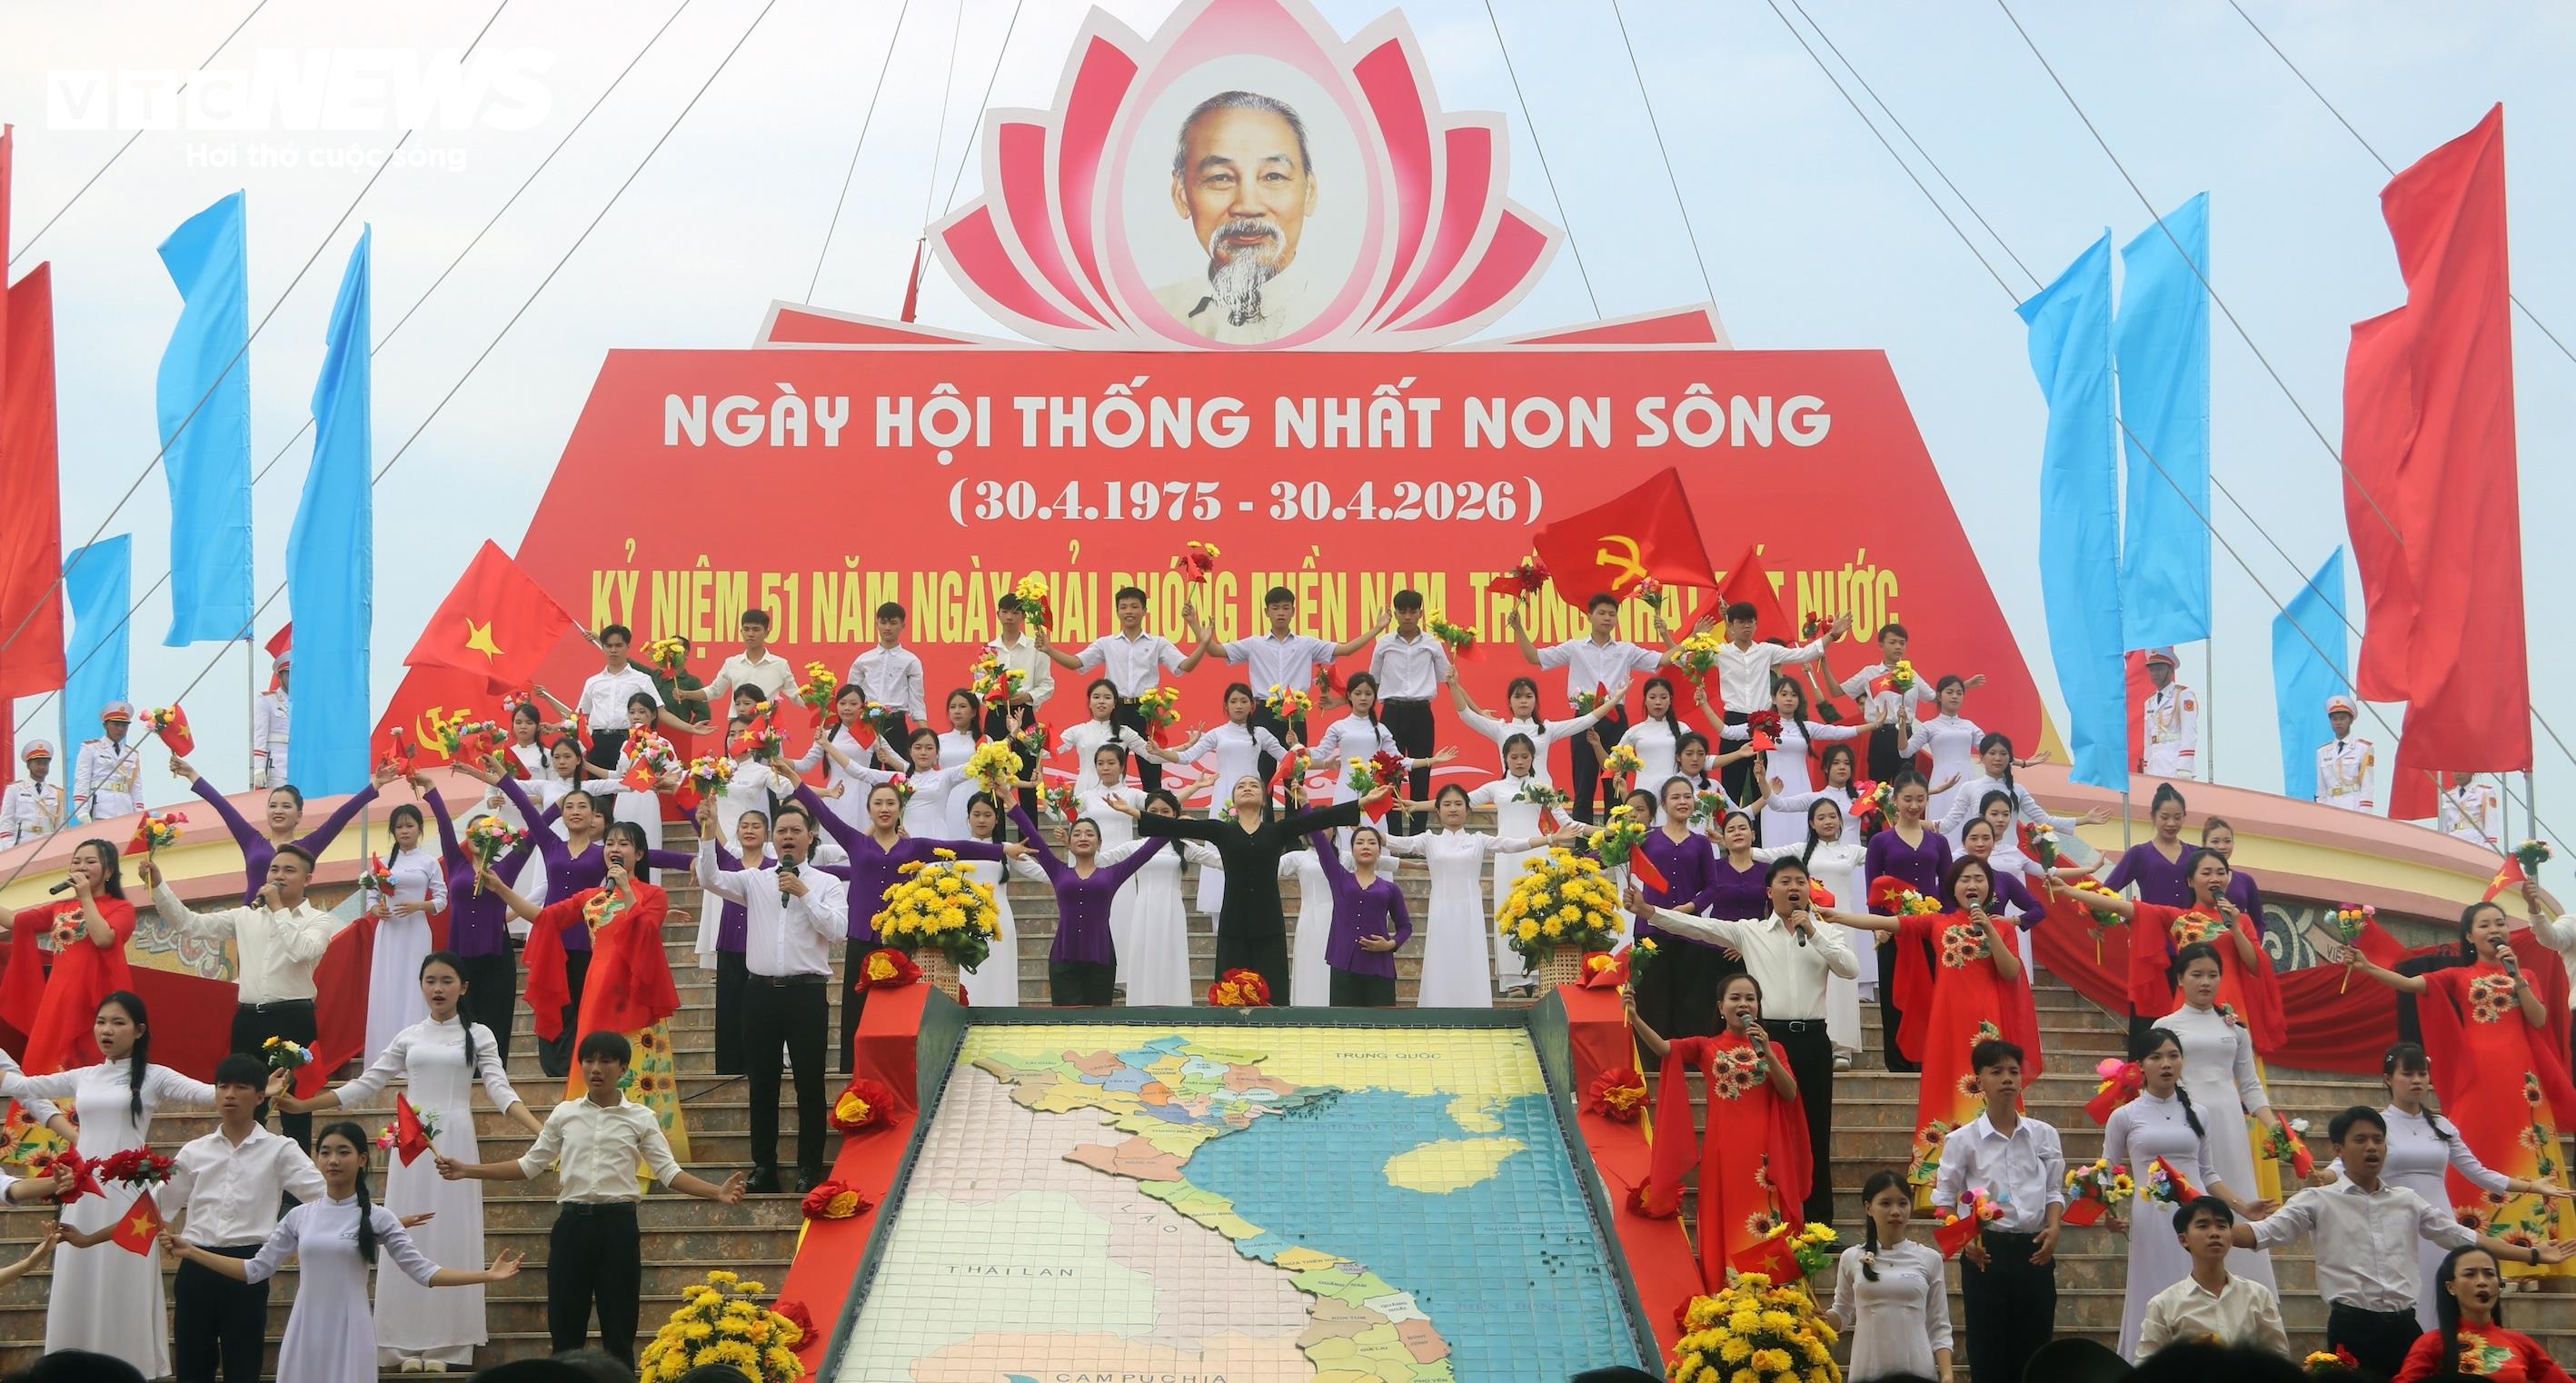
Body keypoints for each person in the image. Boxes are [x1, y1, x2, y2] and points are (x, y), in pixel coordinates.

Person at [274, 954, 545, 1371]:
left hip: (455, 1137)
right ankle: (402, 1344)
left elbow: (499, 1089)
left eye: (447, 981)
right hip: (411, 1142)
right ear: (421, 986)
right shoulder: (409, 1036)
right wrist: (305, 1104)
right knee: (406, 1235)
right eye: (430, 980)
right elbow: (367, 1083)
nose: (438, 988)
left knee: (449, 1231)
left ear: (463, 987)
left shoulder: (479, 1035)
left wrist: (540, 1129)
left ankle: (446, 1346)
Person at [438, 1031, 750, 1363]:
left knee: (619, 1331)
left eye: (606, 1061)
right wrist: (468, 1170)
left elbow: (669, 1173)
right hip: (572, 1227)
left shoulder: (640, 1117)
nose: (596, 1068)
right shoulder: (565, 1114)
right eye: (588, 1060)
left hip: (618, 1229)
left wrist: (716, 1192)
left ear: (623, 1068)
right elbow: (529, 1166)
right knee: (565, 1332)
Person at [2332, 898, 2576, 1282]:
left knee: (2528, 1153)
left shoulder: (2524, 972)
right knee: (2475, 1151)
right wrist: (2367, 967)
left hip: (2521, 1081)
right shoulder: (2459, 976)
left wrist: (2517, 978)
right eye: (2485, 925)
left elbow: (2539, 1018)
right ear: (2469, 936)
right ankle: (2481, 1255)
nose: (2494, 930)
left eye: (2499, 923)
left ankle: (2534, 1256)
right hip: (2477, 1078)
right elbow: (2411, 984)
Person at [165, 1119, 520, 1382]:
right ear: (316, 1159)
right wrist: (191, 1251)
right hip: (305, 1329)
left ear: (363, 1159)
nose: (333, 1160)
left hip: (351, 1330)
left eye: (343, 1152)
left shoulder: (378, 1217)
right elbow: (253, 1270)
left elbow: (425, 1272)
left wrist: (487, 1276)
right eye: (325, 1152)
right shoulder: (299, 1217)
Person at [2243, 1107, 2573, 1376]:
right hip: (2352, 1328)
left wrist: (2532, 1255)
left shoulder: (2406, 1200)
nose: (2372, 1147)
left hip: (2405, 1327)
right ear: (2339, 1150)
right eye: (2361, 1140)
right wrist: (2223, 1229)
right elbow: (2262, 1233)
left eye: (2378, 1140)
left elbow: (2463, 1236)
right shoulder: (2317, 1200)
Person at [1628, 856, 1857, 1223]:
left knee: (1813, 1130)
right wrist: (1649, 911)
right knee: (1768, 1134)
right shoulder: (1750, 932)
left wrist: (1813, 932)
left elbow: (1850, 968)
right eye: (1785, 881)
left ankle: (1816, 1223)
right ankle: (1774, 1216)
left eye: (1800, 881)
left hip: (1813, 1040)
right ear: (1769, 891)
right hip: (1765, 1039)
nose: (1794, 888)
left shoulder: (1824, 933)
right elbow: (1698, 927)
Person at [0, 990, 218, 1375]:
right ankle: (71, 1369)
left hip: (130, 1193)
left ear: (139, 1031)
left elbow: (207, 1094)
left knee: (124, 1278)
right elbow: (27, 1087)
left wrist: (255, 1086)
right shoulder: (84, 1076)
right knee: (79, 1274)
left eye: (118, 1023)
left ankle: (128, 1369)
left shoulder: (154, 1076)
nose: (107, 1030)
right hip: (84, 1191)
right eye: (101, 1022)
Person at [62, 1055, 315, 1383]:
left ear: (259, 1096)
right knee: (193, 1366)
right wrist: (88, 1239)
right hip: (196, 1267)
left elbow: (322, 1197)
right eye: (223, 1086)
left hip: (247, 1267)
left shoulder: (280, 1150)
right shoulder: (196, 1151)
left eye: (241, 1087)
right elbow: (152, 1211)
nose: (229, 1095)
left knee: (244, 1365)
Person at [483, 821, 689, 1165]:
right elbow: (544, 918)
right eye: (610, 843)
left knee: (639, 1073)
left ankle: (645, 1160)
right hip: (597, 992)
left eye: (624, 844)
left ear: (639, 854)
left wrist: (626, 889)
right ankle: (589, 1152)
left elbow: (645, 932)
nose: (615, 849)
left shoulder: (654, 895)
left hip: (636, 994)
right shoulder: (591, 897)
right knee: (593, 1069)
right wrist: (502, 889)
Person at [2337, 1042, 2572, 1329]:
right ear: (2388, 1079)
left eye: (2422, 1074)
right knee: (2406, 1298)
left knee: (2441, 1298)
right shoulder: (2378, 1127)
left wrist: (2532, 1186)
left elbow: (2478, 1172)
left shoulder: (2442, 1126)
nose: (2416, 1081)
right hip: (2396, 1224)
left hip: (2441, 1225)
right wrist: (2324, 1175)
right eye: (2407, 1074)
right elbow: (2342, 1166)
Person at [793, 781, 1014, 1069]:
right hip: (861, 936)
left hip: (901, 939)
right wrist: (795, 781)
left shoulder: (915, 847)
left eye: (890, 803)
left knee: (899, 1009)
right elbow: (824, 814)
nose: (884, 809)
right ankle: (852, 1069)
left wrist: (1003, 849)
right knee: (857, 1008)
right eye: (878, 803)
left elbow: (957, 848)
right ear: (869, 810)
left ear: (900, 809)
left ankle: (899, 1068)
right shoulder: (855, 841)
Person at [691, 799, 845, 1189]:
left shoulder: (826, 883)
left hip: (806, 995)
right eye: (782, 831)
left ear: (810, 837)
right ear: (773, 840)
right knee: (762, 1084)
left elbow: (837, 930)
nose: (788, 837)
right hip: (759, 994)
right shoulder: (754, 880)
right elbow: (710, 879)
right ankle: (765, 1168)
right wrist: (708, 833)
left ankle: (809, 1168)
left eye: (796, 830)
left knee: (809, 1084)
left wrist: (803, 893)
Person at [143, 850, 339, 1147]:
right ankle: (242, 1164)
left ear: (307, 879)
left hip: (293, 1019)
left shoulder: (318, 920)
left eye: (289, 870)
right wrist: (158, 886)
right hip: (249, 1020)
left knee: (294, 1107)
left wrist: (277, 909)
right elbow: (190, 924)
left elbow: (302, 951)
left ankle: (297, 1176)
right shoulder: (246, 916)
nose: (279, 876)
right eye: (274, 869)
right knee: (245, 1104)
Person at [1875, 858, 2043, 1204]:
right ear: (1953, 886)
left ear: (1989, 888)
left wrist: (1991, 930)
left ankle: (2000, 1184)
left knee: (1990, 1092)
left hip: (1988, 1027)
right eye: (1965, 879)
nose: (1972, 885)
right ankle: (1938, 1187)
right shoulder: (1937, 922)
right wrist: (1835, 917)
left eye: (1979, 879)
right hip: (1946, 1026)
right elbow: (1890, 922)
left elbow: (2011, 972)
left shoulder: (2002, 928)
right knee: (1942, 1092)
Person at [1628, 971, 1810, 1288]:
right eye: (1735, 998)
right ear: (1721, 1007)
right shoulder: (1707, 1046)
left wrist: (1767, 1053)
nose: (1743, 1004)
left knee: (1764, 1216)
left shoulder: (1775, 1049)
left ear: (1758, 1006)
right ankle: (1729, 1287)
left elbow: (1790, 1092)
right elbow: (1664, 1048)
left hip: (1765, 1152)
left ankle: (1771, 1288)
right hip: (1723, 1149)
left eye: (1750, 998)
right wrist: (1634, 1017)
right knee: (1726, 1213)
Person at [1133, 773, 1382, 993]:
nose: (1247, 788)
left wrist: (1362, 802)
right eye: (1241, 786)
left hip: (1269, 919)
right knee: (1229, 989)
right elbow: (1173, 825)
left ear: (1264, 800)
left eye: (1254, 785)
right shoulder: (1221, 831)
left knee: (1271, 988)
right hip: (1233, 919)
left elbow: (1318, 820)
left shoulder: (1277, 831)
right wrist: (1133, 812)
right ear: (1234, 800)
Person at [2102, 1025, 2264, 1361]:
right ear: (2140, 1065)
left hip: (2196, 1216)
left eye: (2173, 1056)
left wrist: (2242, 1207)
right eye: (2156, 1057)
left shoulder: (2199, 1113)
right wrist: (2110, 1213)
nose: (2166, 1064)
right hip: (2151, 1215)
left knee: (2198, 1286)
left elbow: (2207, 1172)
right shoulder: (2124, 1116)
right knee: (2154, 1287)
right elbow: (2107, 1170)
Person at [1933, 1039, 2064, 1383]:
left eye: (2014, 1072)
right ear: (1979, 1081)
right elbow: (1944, 1199)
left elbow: (2053, 1190)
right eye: (1997, 1072)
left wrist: (2054, 1227)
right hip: (1985, 1253)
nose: (2007, 1079)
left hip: (2035, 1249)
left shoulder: (2044, 1135)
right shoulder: (1963, 1140)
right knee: (1988, 1347)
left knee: (2036, 1347)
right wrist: (1965, 1241)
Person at [1152, 89, 1321, 343]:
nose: (1248, 206)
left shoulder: (1348, 320)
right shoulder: (1149, 319)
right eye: (1221, 178)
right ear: (1181, 195)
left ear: (1309, 192)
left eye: (1273, 176)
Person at [480, 771, 612, 1078]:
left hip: (585, 939)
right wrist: (502, 776)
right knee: (551, 999)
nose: (575, 812)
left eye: (583, 807)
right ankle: (554, 1066)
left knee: (580, 1002)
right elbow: (528, 810)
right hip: (550, 938)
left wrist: (688, 862)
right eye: (569, 806)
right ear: (562, 814)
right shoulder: (551, 844)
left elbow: (643, 858)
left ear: (595, 816)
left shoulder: (603, 853)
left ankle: (577, 1064)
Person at [1381, 784, 1564, 1007]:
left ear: (1468, 810)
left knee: (1470, 956)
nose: (1453, 809)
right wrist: (1362, 827)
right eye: (1447, 804)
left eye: (1458, 804)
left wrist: (1550, 839)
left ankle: (1475, 1006)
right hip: (1441, 910)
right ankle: (1436, 1006)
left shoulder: (1478, 840)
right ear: (1438, 810)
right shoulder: (1429, 841)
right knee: (1441, 956)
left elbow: (1509, 844)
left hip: (1470, 911)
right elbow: (1397, 842)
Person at [1508, 592, 1685, 821]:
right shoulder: (1575, 648)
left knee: (1615, 782)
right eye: (1601, 613)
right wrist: (1518, 628)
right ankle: (1583, 841)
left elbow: (1665, 659)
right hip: (1584, 718)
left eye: (1612, 614)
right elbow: (1535, 657)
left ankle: (1616, 837)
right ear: (1589, 616)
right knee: (1584, 786)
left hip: (1615, 719)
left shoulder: (1626, 650)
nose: (1607, 618)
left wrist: (1680, 637)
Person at [1039, 585, 1213, 796]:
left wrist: (1203, 644)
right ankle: (1107, 809)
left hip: (1146, 711)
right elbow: (1077, 663)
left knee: (1152, 766)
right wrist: (1049, 650)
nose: (1129, 611)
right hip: (1116, 710)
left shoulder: (1157, 643)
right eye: (1123, 607)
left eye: (1134, 606)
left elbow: (1185, 666)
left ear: (1144, 611)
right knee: (1111, 766)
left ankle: (1152, 815)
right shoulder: (1107, 643)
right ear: (1117, 612)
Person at [418, 779, 535, 1069]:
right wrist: (431, 789)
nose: (478, 836)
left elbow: (536, 832)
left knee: (496, 1021)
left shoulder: (506, 866)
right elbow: (445, 826)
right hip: (460, 957)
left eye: (485, 831)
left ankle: (493, 1075)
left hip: (496, 954)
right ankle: (463, 1073)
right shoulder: (457, 863)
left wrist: (556, 805)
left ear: (495, 837)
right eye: (473, 832)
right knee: (462, 1021)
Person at [1208, 584, 1378, 782]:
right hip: (1264, 714)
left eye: (1285, 608)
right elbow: (1215, 651)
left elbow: (1346, 650)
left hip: (1295, 714)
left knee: (1296, 774)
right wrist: (1198, 630)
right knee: (1262, 776)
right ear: (1267, 612)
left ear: (1293, 611)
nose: (1281, 613)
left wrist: (1377, 628)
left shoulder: (1306, 644)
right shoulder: (1254, 644)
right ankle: (1264, 804)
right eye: (1275, 608)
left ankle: (1295, 804)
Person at [1009, 803, 1171, 1006]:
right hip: (1063, 957)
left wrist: (1175, 824)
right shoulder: (1058, 871)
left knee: (1098, 1021)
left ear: (1099, 843)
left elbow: (1147, 850)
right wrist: (1008, 797)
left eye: (1089, 834)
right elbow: (1033, 835)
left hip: (1100, 957)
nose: (1083, 838)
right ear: (1069, 843)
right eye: (1077, 834)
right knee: (1066, 1020)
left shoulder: (1112, 874)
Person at [170, 754, 389, 902]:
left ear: (299, 815)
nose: (278, 811)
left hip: (289, 923)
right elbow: (223, 806)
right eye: (273, 806)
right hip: (252, 918)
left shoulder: (306, 848)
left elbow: (340, 817)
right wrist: (192, 774)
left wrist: (375, 786)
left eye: (286, 806)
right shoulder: (251, 841)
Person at [5, 837, 136, 1075]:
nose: (81, 867)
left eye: (90, 862)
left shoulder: (121, 908)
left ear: (108, 871)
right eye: (76, 862)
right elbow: (16, 921)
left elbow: (104, 939)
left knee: (85, 1064)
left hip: (94, 998)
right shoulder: (60, 908)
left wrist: (85, 897)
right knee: (44, 1063)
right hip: (58, 998)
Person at [1755, 797, 1870, 1065]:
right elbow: (1765, 855)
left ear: (1840, 821)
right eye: (1821, 817)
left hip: (1841, 924)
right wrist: (1733, 844)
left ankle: (1842, 1048)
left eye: (1832, 816)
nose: (1828, 821)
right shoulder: (1800, 850)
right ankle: (1823, 1040)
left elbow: (1884, 853)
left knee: (1843, 984)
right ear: (1811, 823)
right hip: (1807, 923)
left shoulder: (1852, 851)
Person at [1824, 1169, 1953, 1383]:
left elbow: (1939, 1324)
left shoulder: (1929, 1258)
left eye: (1902, 1203)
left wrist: (1947, 1374)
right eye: (1885, 1203)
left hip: (1916, 1370)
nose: (1895, 1211)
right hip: (1867, 1367)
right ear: (1868, 1208)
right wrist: (1820, 1318)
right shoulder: (1851, 1257)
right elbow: (1841, 1315)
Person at [1095, 790, 1223, 1005]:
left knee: (1171, 956)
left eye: (1165, 811)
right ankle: (1141, 1006)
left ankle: (1176, 1007)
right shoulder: (1135, 846)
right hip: (1143, 908)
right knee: (1144, 956)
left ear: (1175, 815)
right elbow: (1099, 861)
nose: (1159, 816)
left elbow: (1221, 861)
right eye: (1153, 811)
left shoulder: (1184, 847)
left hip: (1172, 910)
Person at [1864, 771, 1951, 1073]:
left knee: (1932, 995)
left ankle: (1931, 1058)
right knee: (1894, 995)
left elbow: (1948, 888)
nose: (1914, 806)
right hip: (1893, 930)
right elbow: (1873, 888)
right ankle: (1898, 1062)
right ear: (1896, 800)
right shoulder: (1880, 841)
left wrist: (1950, 924)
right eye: (1908, 799)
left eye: (1920, 799)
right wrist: (1878, 925)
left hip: (1931, 930)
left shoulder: (1939, 842)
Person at [1629, 779, 1726, 1044]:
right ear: (1663, 804)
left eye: (1687, 796)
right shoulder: (1647, 837)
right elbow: (1614, 857)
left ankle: (1688, 1058)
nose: (1682, 802)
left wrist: (1690, 908)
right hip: (1651, 930)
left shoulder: (1701, 843)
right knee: (1652, 1001)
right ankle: (1654, 1059)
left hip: (1690, 932)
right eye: (1675, 797)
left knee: (1691, 1002)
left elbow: (1713, 887)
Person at [2395, 1245, 2574, 1383]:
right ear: (2451, 1287)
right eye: (2470, 1274)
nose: (2482, 1282)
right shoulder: (2431, 1343)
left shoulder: (2521, 1343)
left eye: (2489, 1274)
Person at [2137, 1197, 2288, 1357]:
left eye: (2222, 1226)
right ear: (2183, 1239)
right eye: (2203, 1226)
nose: (2214, 1233)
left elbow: (2278, 1356)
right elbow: (2147, 1362)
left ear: (2231, 1238)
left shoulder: (2257, 1295)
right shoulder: (2164, 1304)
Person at [363, 801, 449, 1060]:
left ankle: (415, 1052)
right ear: (393, 831)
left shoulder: (428, 862)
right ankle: (384, 1054)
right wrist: (377, 910)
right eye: (399, 827)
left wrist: (418, 906)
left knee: (414, 984)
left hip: (416, 930)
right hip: (389, 931)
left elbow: (442, 901)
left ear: (420, 829)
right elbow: (370, 898)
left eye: (409, 826)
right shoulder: (382, 863)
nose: (404, 831)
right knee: (388, 985)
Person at [1369, 590, 1452, 832]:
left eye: (1412, 612)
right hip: (1391, 713)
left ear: (1420, 613)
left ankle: (1418, 835)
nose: (1407, 617)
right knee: (1390, 774)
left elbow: (1448, 679)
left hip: (1421, 714)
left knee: (1421, 774)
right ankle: (1394, 835)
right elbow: (1373, 682)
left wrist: (1475, 709)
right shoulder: (1384, 644)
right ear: (1395, 614)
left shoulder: (1432, 644)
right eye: (1402, 611)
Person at [1309, 823, 1410, 1007]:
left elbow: (1405, 927)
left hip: (1379, 966)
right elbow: (1320, 841)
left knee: (1380, 1022)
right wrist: (1304, 808)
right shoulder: (1339, 878)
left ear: (1379, 851)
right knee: (1343, 1022)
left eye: (1372, 843)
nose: (1365, 846)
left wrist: (1390, 944)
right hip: (1343, 964)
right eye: (1360, 842)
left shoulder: (1390, 889)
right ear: (1352, 850)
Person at [1839, 623, 1954, 782]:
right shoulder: (1870, 673)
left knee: (1906, 785)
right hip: (1881, 735)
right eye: (1893, 642)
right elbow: (1837, 691)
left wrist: (1960, 686)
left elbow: (1935, 697)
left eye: (1902, 643)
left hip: (1906, 736)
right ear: (1881, 645)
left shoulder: (1912, 675)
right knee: (1880, 787)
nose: (1898, 647)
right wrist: (1824, 666)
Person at [958, 793, 1039, 1006]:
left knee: (1000, 973)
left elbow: (1043, 873)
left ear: (997, 819)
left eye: (987, 815)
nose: (981, 820)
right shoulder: (959, 849)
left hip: (999, 922)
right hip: (967, 922)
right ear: (968, 818)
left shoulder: (1008, 849)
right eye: (976, 814)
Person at [554, 625, 661, 774]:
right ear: (603, 647)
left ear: (628, 646)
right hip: (597, 743)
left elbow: (660, 710)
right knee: (597, 787)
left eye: (619, 645)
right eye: (609, 646)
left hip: (630, 741)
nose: (613, 650)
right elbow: (579, 716)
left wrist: (690, 728)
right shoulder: (593, 682)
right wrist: (554, 727)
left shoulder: (642, 680)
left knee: (626, 785)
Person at [1900, 676, 1984, 823]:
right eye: (1950, 692)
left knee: (1968, 823)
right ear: (1939, 696)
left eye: (1959, 693)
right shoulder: (1929, 726)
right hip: (1941, 782)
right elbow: (1905, 752)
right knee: (1940, 822)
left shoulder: (1969, 725)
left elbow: (1990, 749)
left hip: (1967, 780)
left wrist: (2023, 763)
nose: (1955, 696)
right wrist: (1902, 725)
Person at [707, 607, 797, 710]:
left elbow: (795, 695)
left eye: (756, 630)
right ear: (741, 632)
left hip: (767, 719)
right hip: (738, 719)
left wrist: (812, 698)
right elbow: (714, 691)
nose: (750, 634)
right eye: (746, 629)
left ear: (767, 633)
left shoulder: (780, 665)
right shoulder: (731, 663)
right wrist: (690, 694)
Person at [72, 701, 144, 822]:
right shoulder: (91, 748)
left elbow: (136, 787)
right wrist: (81, 810)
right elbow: (82, 780)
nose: (120, 729)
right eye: (116, 724)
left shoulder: (132, 754)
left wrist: (139, 812)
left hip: (125, 809)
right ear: (105, 725)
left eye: (124, 725)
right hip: (100, 809)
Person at [2139, 647, 2197, 780]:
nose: (2155, 673)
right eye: (2152, 669)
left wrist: (2185, 767)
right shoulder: (2149, 702)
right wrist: (2147, 767)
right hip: (2154, 766)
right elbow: (2148, 739)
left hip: (2175, 764)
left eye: (2159, 669)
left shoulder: (2183, 695)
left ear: (2170, 670)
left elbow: (2189, 732)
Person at [2315, 695, 2375, 813]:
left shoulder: (2363, 748)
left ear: (2351, 720)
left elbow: (2367, 786)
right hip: (2330, 806)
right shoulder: (2322, 752)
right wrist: (2320, 812)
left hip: (2353, 805)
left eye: (2342, 718)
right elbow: (2321, 788)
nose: (2338, 723)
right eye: (2334, 719)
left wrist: (2365, 814)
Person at [1, 739, 65, 846]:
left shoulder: (56, 792)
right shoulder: (15, 789)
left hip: (47, 843)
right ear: (29, 765)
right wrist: (10, 846)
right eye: (38, 763)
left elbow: (59, 825)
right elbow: (6, 820)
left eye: (45, 764)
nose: (42, 767)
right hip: (22, 842)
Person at [250, 652, 291, 787]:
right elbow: (259, 735)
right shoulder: (267, 700)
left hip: (302, 766)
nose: (293, 679)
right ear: (279, 676)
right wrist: (258, 767)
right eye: (288, 674)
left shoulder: (306, 703)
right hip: (277, 768)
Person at [2439, 769, 2501, 847]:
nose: (2457, 774)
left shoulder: (2484, 792)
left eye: (2461, 770)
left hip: (2475, 841)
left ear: (2472, 771)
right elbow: (2444, 827)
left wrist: (2490, 847)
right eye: (2454, 771)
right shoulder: (2446, 796)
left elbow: (2491, 823)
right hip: (2452, 841)